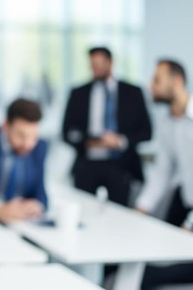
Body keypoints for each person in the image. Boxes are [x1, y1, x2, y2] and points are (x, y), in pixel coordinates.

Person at [62, 46, 152, 206]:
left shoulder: (133, 92)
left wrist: (120, 141)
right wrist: (86, 141)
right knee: (84, 208)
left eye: (99, 64)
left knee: (120, 214)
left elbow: (147, 132)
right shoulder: (78, 93)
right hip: (87, 163)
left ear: (110, 63)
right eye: (92, 65)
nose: (95, 69)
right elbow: (66, 131)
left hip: (120, 164)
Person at [135, 59, 193, 289]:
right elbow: (163, 171)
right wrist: (141, 209)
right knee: (143, 262)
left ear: (177, 81)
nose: (151, 86)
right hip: (185, 201)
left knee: (154, 276)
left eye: (157, 80)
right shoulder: (166, 121)